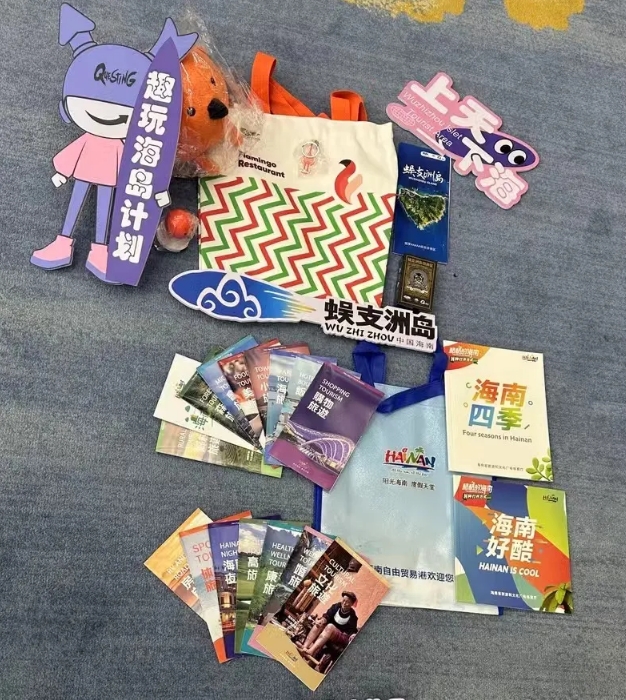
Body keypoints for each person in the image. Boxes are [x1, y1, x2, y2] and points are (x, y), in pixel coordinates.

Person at [300, 591, 358, 658]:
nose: (344, 603)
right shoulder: (336, 606)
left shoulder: (352, 616)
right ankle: (304, 646)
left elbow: (350, 633)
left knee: (330, 626)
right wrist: (322, 621)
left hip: (341, 636)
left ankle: (311, 651)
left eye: (347, 602)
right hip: (328, 630)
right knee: (319, 624)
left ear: (351, 604)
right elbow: (327, 616)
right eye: (343, 600)